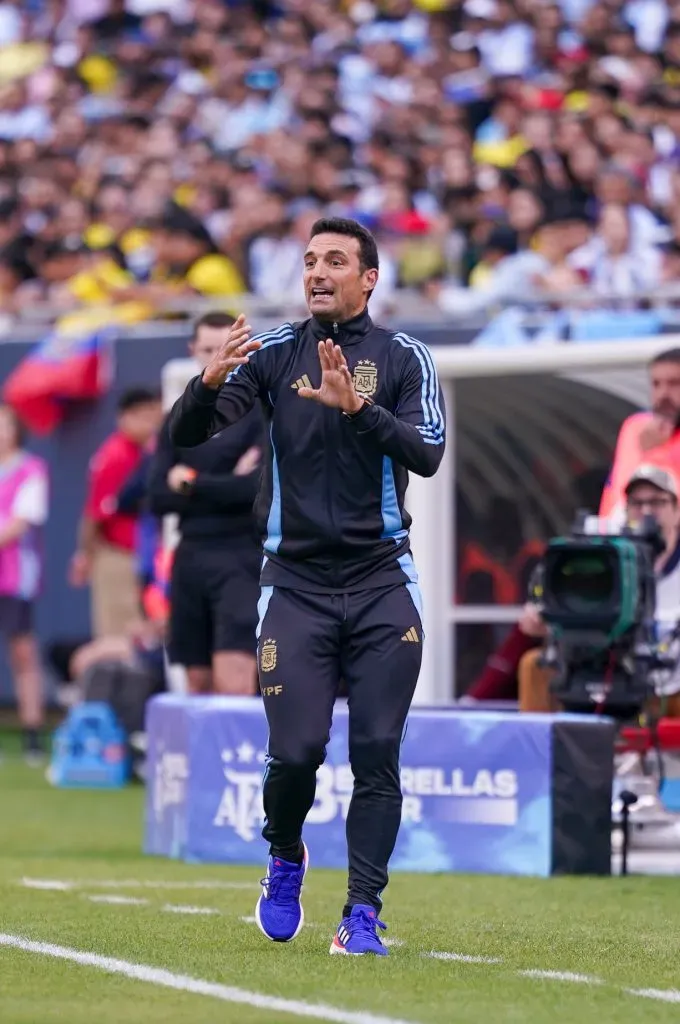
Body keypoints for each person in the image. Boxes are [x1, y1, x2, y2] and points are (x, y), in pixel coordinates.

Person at [168, 216, 445, 956]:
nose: (318, 271)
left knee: (378, 747)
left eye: (335, 261)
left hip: (383, 580)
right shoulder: (273, 355)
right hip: (294, 586)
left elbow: (428, 454)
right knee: (296, 753)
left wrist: (359, 409)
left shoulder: (404, 357)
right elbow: (184, 436)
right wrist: (207, 383)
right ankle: (285, 854)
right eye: (310, 260)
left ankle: (361, 914)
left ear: (369, 277)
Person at [147, 311, 263, 696]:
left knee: (234, 683)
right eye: (209, 350)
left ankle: (245, 758)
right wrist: (228, 481)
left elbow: (255, 491)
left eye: (226, 349)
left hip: (242, 558)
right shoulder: (177, 419)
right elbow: (158, 497)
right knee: (196, 685)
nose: (219, 359)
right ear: (193, 352)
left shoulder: (264, 414)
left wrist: (191, 482)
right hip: (190, 557)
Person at [520, 465, 680, 715]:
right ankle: (540, 749)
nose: (647, 511)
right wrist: (542, 617)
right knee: (533, 665)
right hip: (603, 663)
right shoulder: (604, 558)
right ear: (626, 510)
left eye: (657, 502)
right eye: (637, 503)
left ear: (676, 509)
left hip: (668, 677)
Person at [69, 387, 163, 639]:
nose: (152, 423)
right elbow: (94, 513)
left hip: (143, 556)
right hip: (118, 557)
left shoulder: (148, 451)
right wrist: (85, 555)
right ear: (125, 418)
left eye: (155, 415)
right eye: (144, 416)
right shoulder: (116, 455)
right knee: (120, 634)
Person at [0, 405, 49, 762]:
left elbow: (20, 523)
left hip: (15, 575)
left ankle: (32, 732)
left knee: (22, 653)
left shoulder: (32, 469)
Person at [600, 349, 680, 520]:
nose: (663, 394)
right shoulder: (636, 427)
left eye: (674, 384)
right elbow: (623, 496)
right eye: (656, 384)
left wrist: (654, 453)